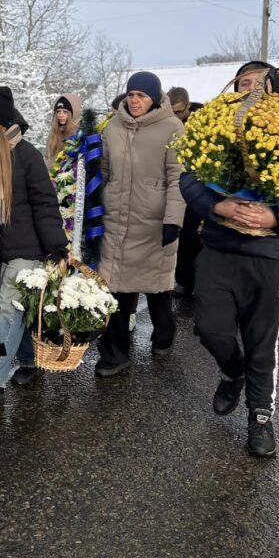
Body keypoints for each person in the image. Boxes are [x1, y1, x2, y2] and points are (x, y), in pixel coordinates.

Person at [179, 60, 279, 457]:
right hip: (220, 249)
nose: (251, 90)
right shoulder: (216, 127)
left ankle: (260, 417)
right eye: (243, 83)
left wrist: (278, 216)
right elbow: (189, 178)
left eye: (259, 83)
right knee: (209, 328)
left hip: (271, 255)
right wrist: (217, 206)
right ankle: (230, 371)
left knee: (262, 342)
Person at [0, 86, 69, 403]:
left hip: (27, 249)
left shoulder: (27, 156)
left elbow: (45, 205)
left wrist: (57, 246)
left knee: (7, 308)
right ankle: (29, 359)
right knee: (14, 309)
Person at [95, 72, 185, 377]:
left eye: (141, 95)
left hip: (153, 225)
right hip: (116, 221)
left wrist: (173, 220)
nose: (134, 101)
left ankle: (164, 334)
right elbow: (103, 170)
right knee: (115, 291)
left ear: (154, 98)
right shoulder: (113, 126)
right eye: (131, 94)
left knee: (157, 291)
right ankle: (115, 355)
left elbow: (178, 178)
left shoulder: (172, 127)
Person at [167, 86, 204, 296]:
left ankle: (198, 282)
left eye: (179, 112)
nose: (175, 117)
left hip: (196, 185)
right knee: (179, 236)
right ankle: (183, 280)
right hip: (175, 185)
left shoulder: (201, 124)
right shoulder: (167, 125)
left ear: (188, 107)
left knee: (194, 236)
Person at [45, 93, 82, 168]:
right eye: (58, 111)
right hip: (50, 177)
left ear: (73, 113)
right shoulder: (53, 134)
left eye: (65, 112)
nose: (61, 115)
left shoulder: (81, 134)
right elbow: (48, 158)